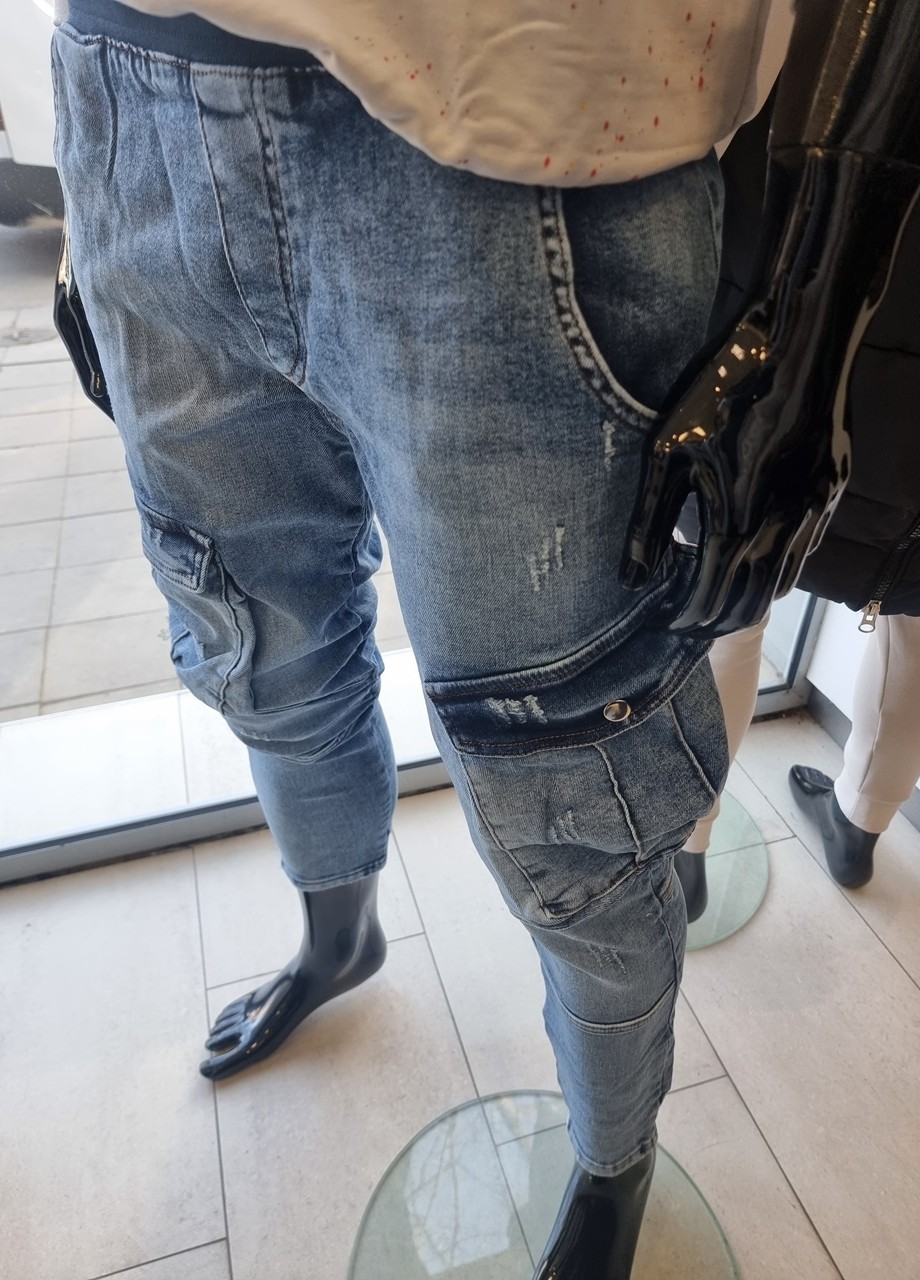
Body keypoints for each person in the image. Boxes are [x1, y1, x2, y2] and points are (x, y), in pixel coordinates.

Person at [48, 1, 920, 1275]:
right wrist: (90, 193)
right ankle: (336, 936)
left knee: (579, 790)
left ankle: (614, 1151)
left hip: (526, 151)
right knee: (260, 647)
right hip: (128, 103)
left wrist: (812, 323)